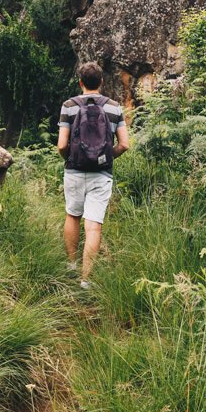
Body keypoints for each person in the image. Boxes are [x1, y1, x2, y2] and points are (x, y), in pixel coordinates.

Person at [57, 61, 129, 289]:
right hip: (102, 174)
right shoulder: (114, 107)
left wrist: (72, 159)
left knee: (72, 215)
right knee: (94, 226)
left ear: (80, 82)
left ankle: (71, 265)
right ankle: (85, 279)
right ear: (102, 82)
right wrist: (106, 157)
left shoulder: (68, 106)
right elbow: (125, 145)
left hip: (74, 171)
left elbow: (61, 145)